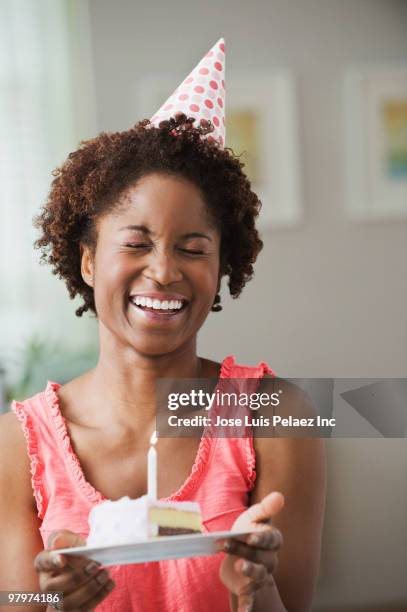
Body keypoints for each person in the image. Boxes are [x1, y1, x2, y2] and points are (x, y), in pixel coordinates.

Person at [0, 38, 326, 612]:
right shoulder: (16, 446)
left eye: (193, 248)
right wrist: (46, 603)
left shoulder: (277, 414)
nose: (165, 271)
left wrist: (258, 589)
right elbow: (14, 600)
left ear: (223, 265)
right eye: (136, 243)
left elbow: (292, 606)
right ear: (86, 261)